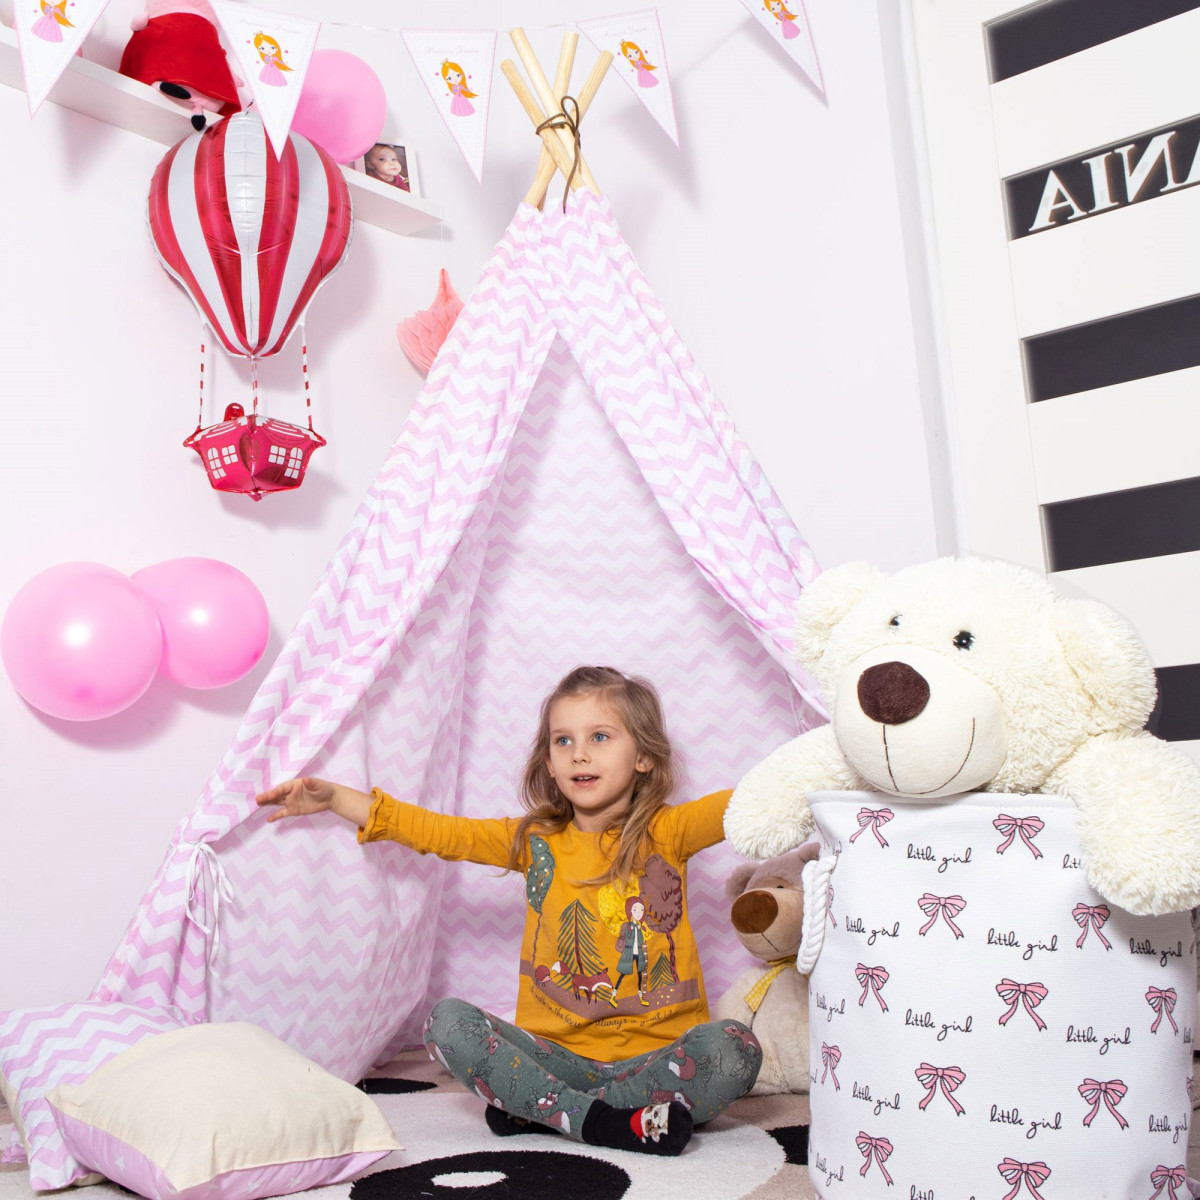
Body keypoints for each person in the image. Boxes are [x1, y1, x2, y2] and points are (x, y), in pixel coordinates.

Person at [257, 665, 760, 1157]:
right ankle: (607, 1121)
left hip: (658, 1061)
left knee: (736, 1048)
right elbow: (441, 833)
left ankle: (543, 1109)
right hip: (556, 1060)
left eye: (600, 737)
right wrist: (337, 799)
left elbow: (754, 800)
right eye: (562, 741)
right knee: (446, 1024)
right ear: (548, 762)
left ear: (644, 756)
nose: (579, 753)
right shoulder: (534, 840)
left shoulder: (671, 831)